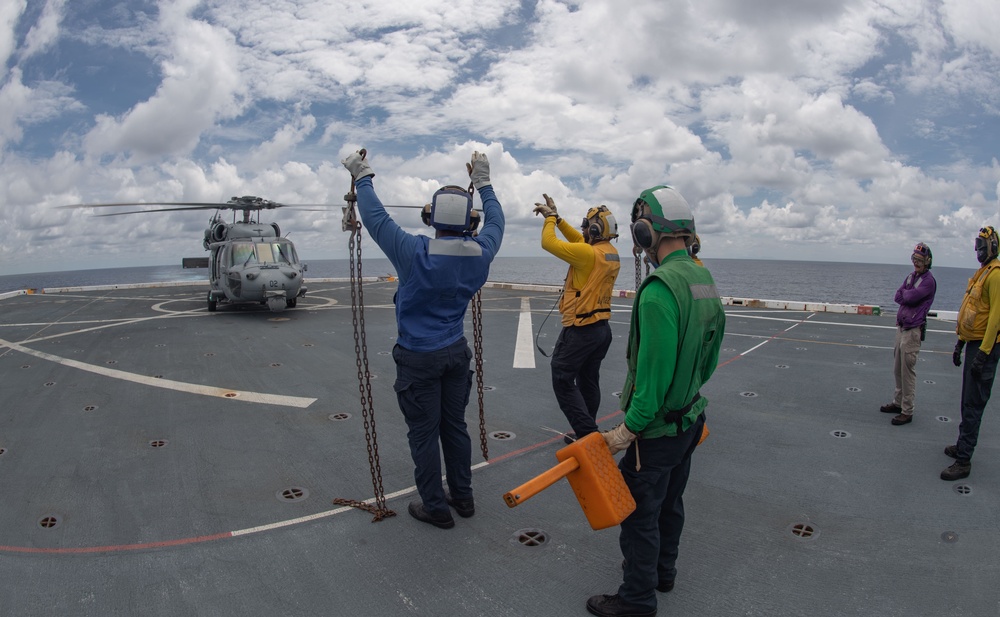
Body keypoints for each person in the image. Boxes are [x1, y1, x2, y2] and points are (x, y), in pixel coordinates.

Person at [341, 149, 505, 527]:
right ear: (470, 221)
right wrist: (483, 182)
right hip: (455, 354)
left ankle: (435, 507)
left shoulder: (414, 252)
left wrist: (362, 175)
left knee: (424, 435)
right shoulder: (481, 253)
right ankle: (462, 497)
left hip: (418, 359)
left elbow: (376, 218)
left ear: (431, 218)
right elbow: (497, 220)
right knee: (454, 427)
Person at [588, 185, 726, 617]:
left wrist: (626, 431)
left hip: (657, 432)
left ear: (647, 232)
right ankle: (664, 573)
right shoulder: (703, 279)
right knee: (671, 504)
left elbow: (650, 382)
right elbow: (709, 360)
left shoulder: (659, 290)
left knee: (639, 515)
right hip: (689, 421)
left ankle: (637, 599)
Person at [532, 194, 621, 444]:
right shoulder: (609, 252)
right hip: (601, 330)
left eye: (586, 224)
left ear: (595, 229)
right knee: (588, 380)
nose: (582, 228)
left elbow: (548, 243)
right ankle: (587, 431)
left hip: (581, 330)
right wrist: (559, 219)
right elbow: (580, 241)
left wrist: (550, 219)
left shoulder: (587, 254)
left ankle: (588, 435)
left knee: (561, 377)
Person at [945, 226, 1000, 481]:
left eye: (981, 245)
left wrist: (983, 353)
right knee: (967, 400)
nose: (977, 249)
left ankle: (964, 460)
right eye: (977, 245)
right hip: (974, 344)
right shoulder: (982, 273)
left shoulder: (995, 275)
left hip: (985, 347)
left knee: (974, 403)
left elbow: (996, 319)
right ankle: (961, 445)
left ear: (992, 246)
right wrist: (960, 343)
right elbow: (973, 313)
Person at [879, 243, 937, 426]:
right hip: (902, 327)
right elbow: (898, 296)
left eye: (919, 260)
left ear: (927, 261)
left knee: (907, 372)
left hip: (912, 331)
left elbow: (909, 297)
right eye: (914, 259)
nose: (916, 263)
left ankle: (907, 411)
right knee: (897, 369)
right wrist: (908, 294)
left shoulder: (928, 281)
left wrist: (907, 294)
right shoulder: (911, 277)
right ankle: (898, 403)